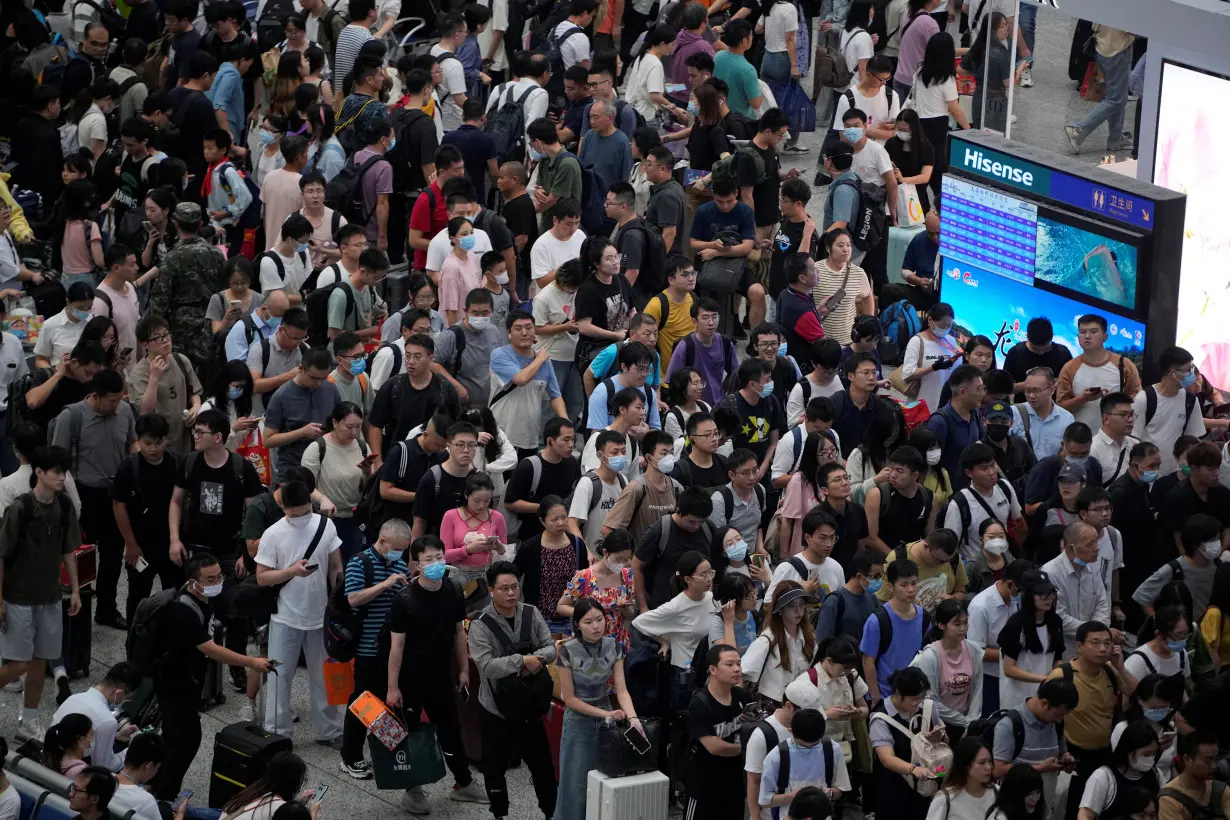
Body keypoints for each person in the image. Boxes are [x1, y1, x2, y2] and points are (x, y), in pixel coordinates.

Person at [149, 553, 274, 797]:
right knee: (185, 740)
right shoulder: (181, 610)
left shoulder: (205, 598)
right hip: (175, 684)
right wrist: (252, 662)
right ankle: (163, 795)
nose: (217, 582)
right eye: (209, 579)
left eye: (219, 576)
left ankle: (158, 784)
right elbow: (211, 649)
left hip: (189, 680)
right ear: (192, 581)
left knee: (177, 738)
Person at [383, 534, 488, 810]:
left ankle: (463, 783)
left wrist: (463, 668)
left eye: (439, 557)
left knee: (450, 729)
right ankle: (412, 789)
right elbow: (396, 648)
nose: (436, 563)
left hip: (440, 674)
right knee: (409, 732)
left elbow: (458, 633)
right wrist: (393, 688)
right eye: (428, 559)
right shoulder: (404, 599)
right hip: (410, 677)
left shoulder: (453, 589)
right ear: (416, 564)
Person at [253, 478, 344, 741]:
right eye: (295, 514)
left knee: (324, 679)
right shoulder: (273, 534)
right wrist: (293, 571)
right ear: (284, 508)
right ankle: (277, 732)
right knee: (280, 677)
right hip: (285, 616)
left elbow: (336, 565)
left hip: (320, 615)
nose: (302, 517)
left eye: (306, 511)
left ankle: (329, 730)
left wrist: (339, 598)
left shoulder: (325, 525)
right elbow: (262, 577)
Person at [468, 561, 558, 817]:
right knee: (495, 768)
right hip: (496, 710)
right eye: (504, 588)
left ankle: (551, 812)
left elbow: (550, 648)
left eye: (514, 587)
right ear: (491, 590)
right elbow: (485, 666)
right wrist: (523, 662)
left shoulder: (531, 613)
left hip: (530, 707)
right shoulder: (481, 624)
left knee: (543, 767)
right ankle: (500, 813)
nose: (511, 594)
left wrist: (535, 659)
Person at [51, 370, 135, 631]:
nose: (116, 405)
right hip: (83, 495)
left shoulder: (125, 411)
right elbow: (57, 462)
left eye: (119, 399)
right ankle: (78, 610)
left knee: (112, 555)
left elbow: (132, 443)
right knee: (81, 557)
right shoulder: (72, 416)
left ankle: (107, 609)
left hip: (115, 495)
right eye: (111, 400)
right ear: (95, 396)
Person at [553, 597, 642, 820]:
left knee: (604, 779)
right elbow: (570, 700)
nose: (596, 626)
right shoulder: (567, 651)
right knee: (574, 784)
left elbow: (621, 690)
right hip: (578, 720)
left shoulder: (614, 645)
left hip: (606, 717)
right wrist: (607, 713)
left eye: (600, 619)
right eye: (588, 621)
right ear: (577, 625)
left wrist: (633, 718)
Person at [337, 518, 411, 779]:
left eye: (404, 549)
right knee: (364, 701)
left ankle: (386, 752)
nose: (400, 555)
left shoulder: (400, 564)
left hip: (394, 648)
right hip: (368, 646)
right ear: (382, 541)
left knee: (380, 700)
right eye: (397, 548)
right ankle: (350, 756)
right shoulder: (360, 562)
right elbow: (353, 598)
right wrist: (386, 584)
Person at [1045, 620, 1137, 818]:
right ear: (1079, 646)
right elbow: (1045, 715)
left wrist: (1121, 667)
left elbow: (1136, 692)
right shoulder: (1062, 675)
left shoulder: (1110, 671)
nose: (1103, 648)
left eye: (1107, 643)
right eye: (1095, 643)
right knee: (1073, 810)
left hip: (1105, 755)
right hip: (1073, 758)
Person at [112, 413, 182, 628]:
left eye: (158, 442)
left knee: (174, 595)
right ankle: (134, 643)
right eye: (147, 443)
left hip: (170, 544)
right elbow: (118, 506)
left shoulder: (176, 463)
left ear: (166, 440)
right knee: (137, 596)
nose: (153, 449)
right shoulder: (129, 467)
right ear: (138, 440)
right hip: (140, 546)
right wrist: (131, 545)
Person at [150, 202, 226, 376]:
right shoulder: (217, 254)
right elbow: (225, 292)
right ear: (200, 224)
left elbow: (159, 303)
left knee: (183, 380)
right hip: (212, 324)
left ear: (176, 224)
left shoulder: (172, 258)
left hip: (180, 331)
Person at [685, 642, 754, 820]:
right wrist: (748, 749)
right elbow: (715, 747)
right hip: (704, 786)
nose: (737, 669)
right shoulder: (699, 703)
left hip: (735, 784)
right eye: (729, 665)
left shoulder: (741, 697)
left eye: (738, 664)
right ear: (712, 669)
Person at [367, 332, 462, 459]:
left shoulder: (445, 389)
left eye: (417, 356)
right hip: (395, 457)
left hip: (432, 459)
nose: (411, 361)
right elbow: (375, 426)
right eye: (407, 356)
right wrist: (377, 461)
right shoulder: (392, 386)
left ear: (430, 357)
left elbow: (455, 428)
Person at [869, 666, 943, 820]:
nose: (918, 702)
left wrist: (939, 737)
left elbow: (944, 742)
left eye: (922, 697)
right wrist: (913, 769)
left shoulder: (928, 707)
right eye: (914, 698)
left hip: (926, 785)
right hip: (895, 787)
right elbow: (886, 759)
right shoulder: (881, 718)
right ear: (898, 693)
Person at [1133, 514, 1223, 628]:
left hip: (1213, 633)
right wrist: (1163, 626)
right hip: (1186, 635)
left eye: (1219, 537)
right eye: (1213, 539)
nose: (1218, 542)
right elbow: (1142, 596)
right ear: (1197, 544)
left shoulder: (1219, 565)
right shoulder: (1174, 569)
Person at [50, 661, 142, 772]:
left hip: (53, 763)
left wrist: (116, 737)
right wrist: (132, 749)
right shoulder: (107, 721)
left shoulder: (73, 698)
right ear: (119, 693)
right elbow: (105, 767)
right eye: (128, 698)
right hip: (72, 775)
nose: (125, 701)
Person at [1057, 314, 1144, 432]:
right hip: (1080, 439)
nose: (1087, 336)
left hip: (1116, 437)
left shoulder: (1124, 365)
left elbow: (1139, 398)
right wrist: (1083, 398)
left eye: (1093, 332)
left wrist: (1113, 400)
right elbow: (1060, 407)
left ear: (1105, 337)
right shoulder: (1069, 368)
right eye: (1082, 332)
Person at [941, 443, 1025, 561]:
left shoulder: (1005, 487)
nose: (991, 472)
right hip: (978, 569)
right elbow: (950, 547)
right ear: (969, 473)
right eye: (984, 468)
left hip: (1005, 561)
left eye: (993, 465)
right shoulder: (959, 504)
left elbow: (1019, 522)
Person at [862, 559, 929, 705]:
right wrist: (875, 696)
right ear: (890, 586)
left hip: (914, 698)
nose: (910, 589)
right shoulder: (877, 620)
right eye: (904, 585)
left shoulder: (924, 618)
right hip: (886, 697)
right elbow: (868, 661)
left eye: (914, 583)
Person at [1131, 347, 1206, 476]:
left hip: (1176, 476)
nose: (1191, 375)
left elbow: (1194, 440)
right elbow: (1132, 441)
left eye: (1192, 369)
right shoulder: (1145, 399)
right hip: (1147, 475)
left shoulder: (1190, 401)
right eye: (1188, 371)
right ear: (1173, 373)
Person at [744, 582, 819, 706]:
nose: (798, 610)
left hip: (802, 705)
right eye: (791, 606)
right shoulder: (766, 641)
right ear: (780, 609)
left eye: (802, 605)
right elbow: (742, 674)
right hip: (772, 707)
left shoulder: (809, 638)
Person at [1064, 27, 1135, 154]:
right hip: (1117, 49)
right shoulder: (1127, 6)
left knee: (1118, 95)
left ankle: (1115, 139)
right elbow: (1130, 28)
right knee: (1115, 100)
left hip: (1102, 44)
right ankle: (1078, 129)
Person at [665, 297, 742, 408]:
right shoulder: (686, 346)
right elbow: (672, 382)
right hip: (693, 407)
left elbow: (735, 373)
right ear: (694, 321)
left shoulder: (725, 343)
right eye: (705, 318)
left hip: (718, 406)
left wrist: (724, 393)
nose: (711, 322)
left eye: (714, 317)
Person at [866, 445, 937, 556]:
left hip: (914, 558)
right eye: (892, 468)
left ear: (915, 475)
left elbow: (930, 536)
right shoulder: (877, 495)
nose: (893, 475)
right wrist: (896, 558)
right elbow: (871, 538)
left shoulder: (928, 497)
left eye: (899, 471)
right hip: (884, 560)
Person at [901, 302, 961, 412]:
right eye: (942, 326)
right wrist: (932, 368)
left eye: (949, 326)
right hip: (921, 407)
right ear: (930, 321)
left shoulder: (951, 341)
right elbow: (907, 373)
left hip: (946, 408)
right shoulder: (917, 341)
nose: (946, 329)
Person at [219, 751, 310, 820]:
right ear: (292, 782)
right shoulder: (279, 807)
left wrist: (297, 805)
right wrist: (312, 813)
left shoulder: (256, 789)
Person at [1011, 367, 1076, 462]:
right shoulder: (1014, 413)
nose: (1031, 396)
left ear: (1053, 389)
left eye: (1037, 390)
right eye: (1028, 391)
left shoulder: (1066, 418)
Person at [1004, 318, 1074, 403]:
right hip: (1023, 409)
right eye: (1035, 349)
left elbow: (1072, 384)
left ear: (1052, 336)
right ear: (1027, 337)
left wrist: (1059, 383)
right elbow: (1004, 388)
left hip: (1055, 408)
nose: (1041, 353)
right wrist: (1029, 385)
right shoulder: (1015, 353)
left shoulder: (1063, 353)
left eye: (1045, 349)